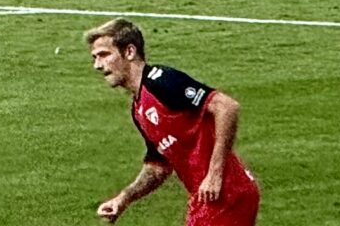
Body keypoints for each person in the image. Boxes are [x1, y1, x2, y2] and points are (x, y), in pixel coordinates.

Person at [86, 17, 259, 225]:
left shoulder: (162, 82)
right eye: (94, 58)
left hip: (226, 194)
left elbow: (226, 107)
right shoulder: (138, 108)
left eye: (104, 55)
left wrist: (214, 174)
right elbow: (158, 166)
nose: (97, 65)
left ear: (129, 52)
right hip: (207, 197)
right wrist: (124, 199)